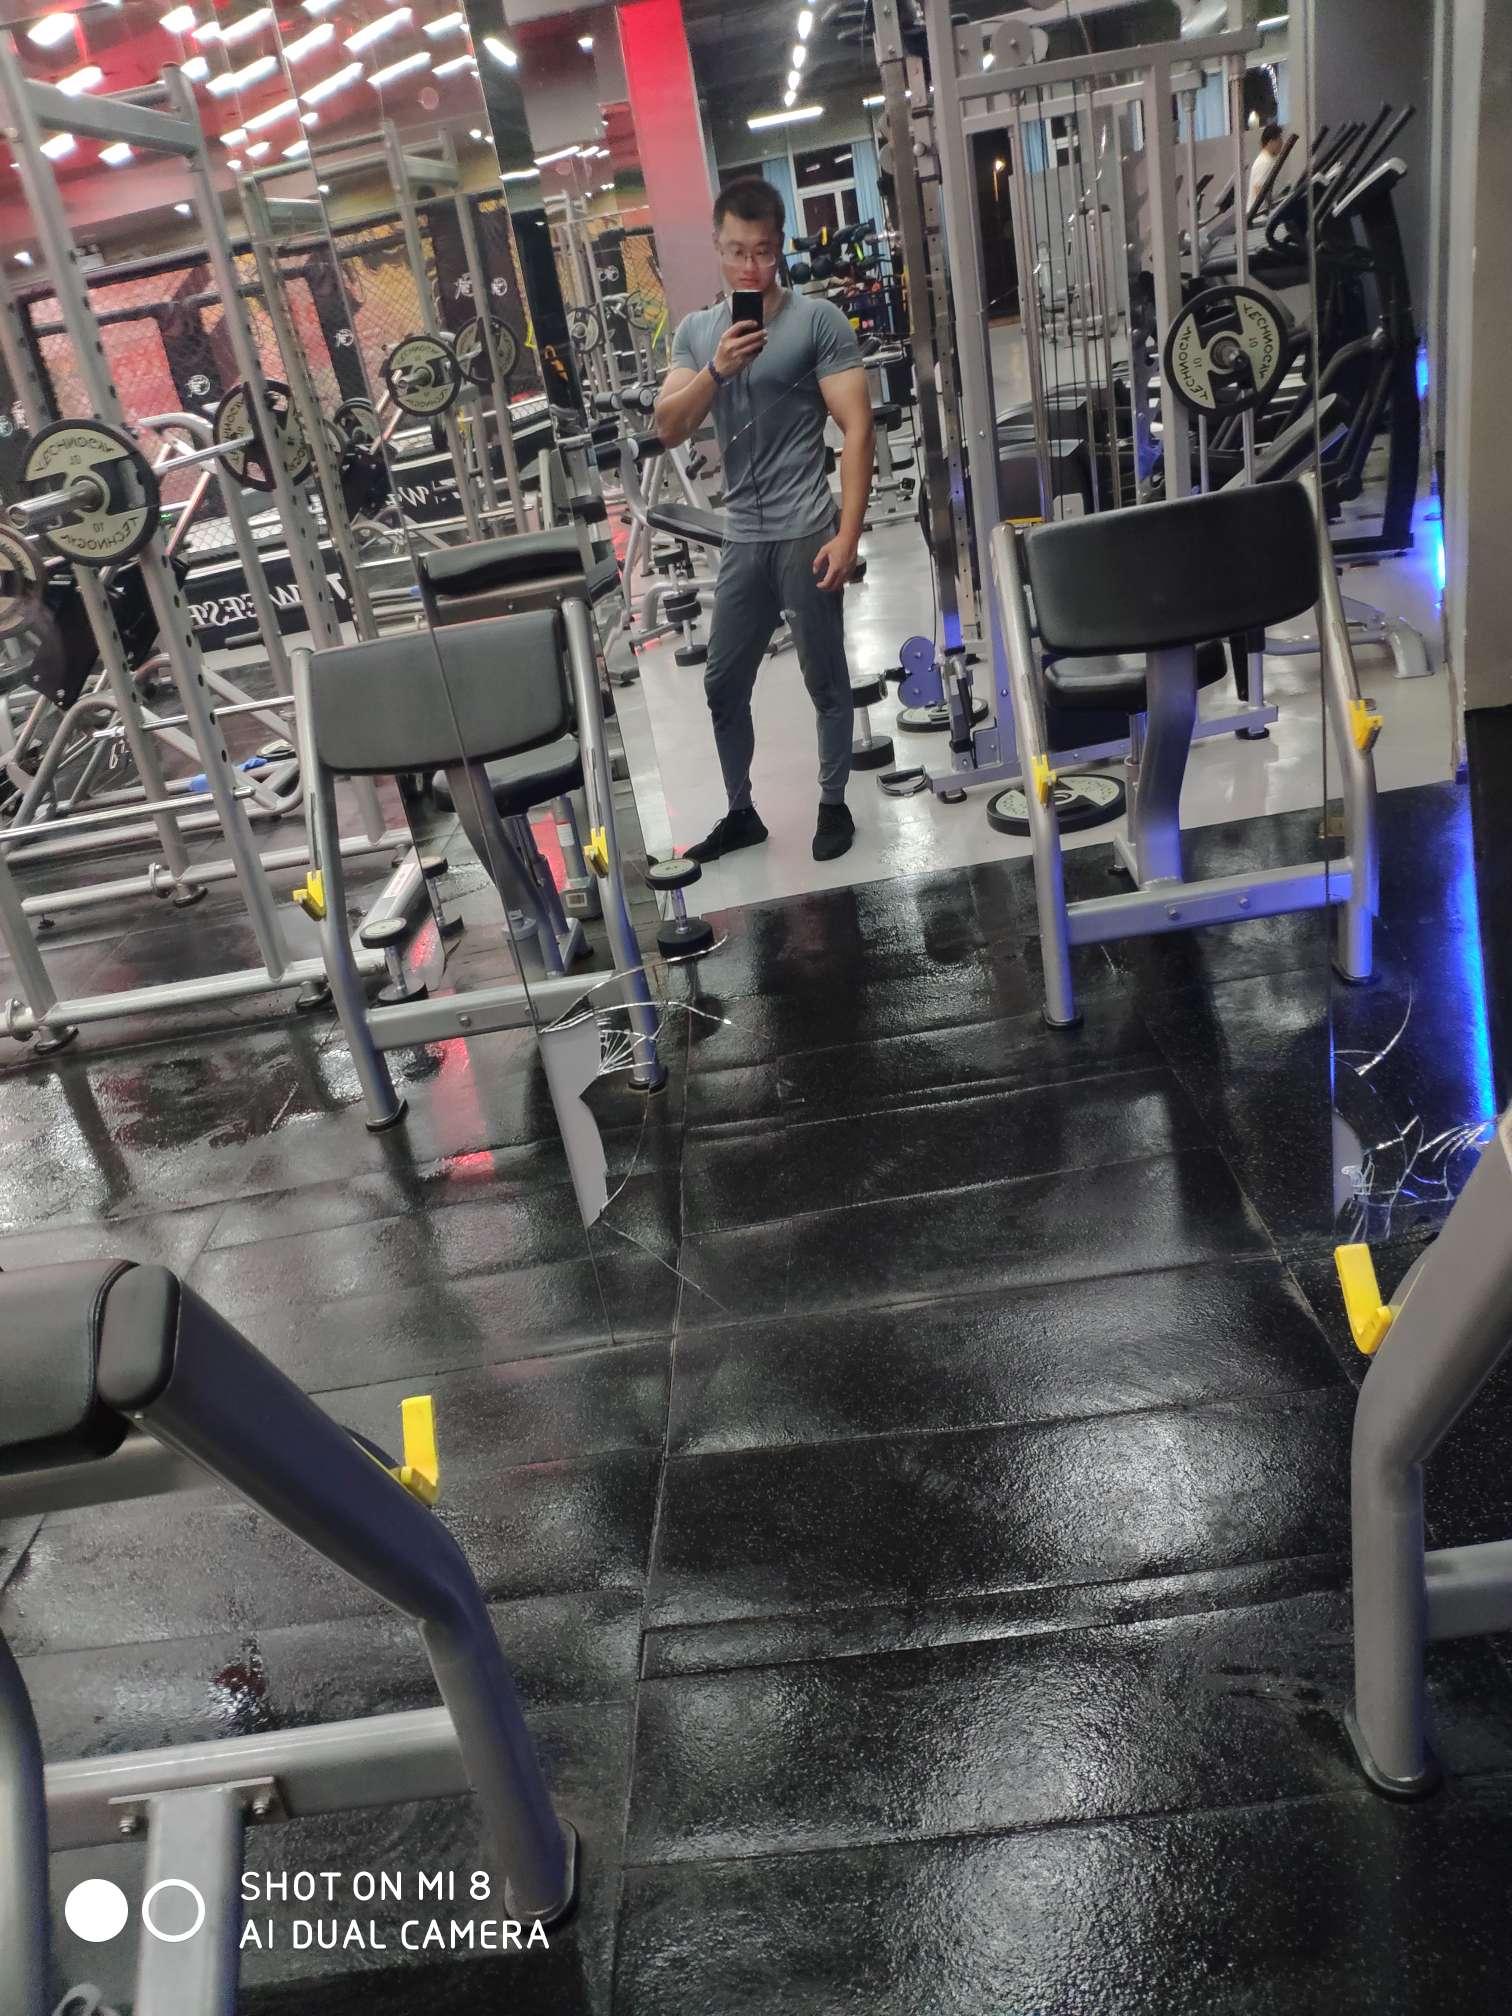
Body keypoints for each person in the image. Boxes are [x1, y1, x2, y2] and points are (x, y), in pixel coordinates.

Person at [655, 177, 876, 865]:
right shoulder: (697, 333)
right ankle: (741, 813)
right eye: (736, 251)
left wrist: (847, 534)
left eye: (762, 251)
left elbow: (858, 426)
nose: (749, 266)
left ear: (779, 248)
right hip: (743, 538)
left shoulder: (817, 322)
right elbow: (668, 426)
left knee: (824, 679)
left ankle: (834, 803)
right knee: (723, 682)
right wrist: (717, 371)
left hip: (808, 529)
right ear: (717, 248)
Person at [1247, 122, 1286, 214]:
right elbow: (1259, 190)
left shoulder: (1267, 160)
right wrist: (1271, 208)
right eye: (1279, 141)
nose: (1281, 144)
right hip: (1258, 215)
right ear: (1271, 141)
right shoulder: (1265, 162)